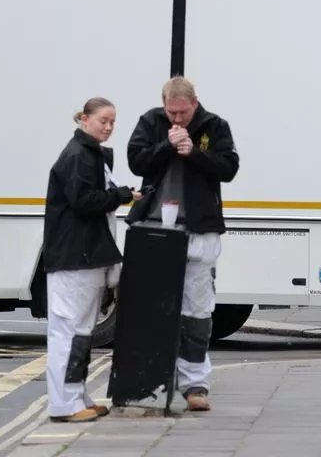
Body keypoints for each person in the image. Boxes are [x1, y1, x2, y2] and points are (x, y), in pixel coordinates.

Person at [126, 77, 239, 413]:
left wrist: (195, 152)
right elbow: (136, 162)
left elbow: (229, 168)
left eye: (182, 113)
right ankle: (148, 381)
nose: (176, 119)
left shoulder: (215, 126)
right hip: (155, 225)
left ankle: (195, 384)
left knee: (197, 310)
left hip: (199, 228)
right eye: (171, 112)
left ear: (195, 103)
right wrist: (166, 146)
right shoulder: (150, 122)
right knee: (151, 309)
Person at [42, 97, 141, 423]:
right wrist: (122, 195)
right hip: (75, 258)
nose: (109, 126)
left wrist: (120, 194)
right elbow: (84, 200)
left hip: (84, 256)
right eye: (103, 120)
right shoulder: (77, 156)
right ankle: (64, 404)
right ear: (85, 119)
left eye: (113, 121)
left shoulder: (90, 155)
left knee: (80, 332)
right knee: (69, 332)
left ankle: (77, 397)